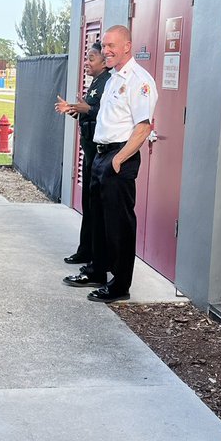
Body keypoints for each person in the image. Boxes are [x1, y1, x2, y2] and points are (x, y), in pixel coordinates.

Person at [63, 25, 156, 303]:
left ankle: (120, 285)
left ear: (127, 46)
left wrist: (117, 159)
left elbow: (143, 127)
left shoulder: (139, 81)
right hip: (101, 155)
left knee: (119, 224)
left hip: (119, 157)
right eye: (104, 46)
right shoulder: (113, 78)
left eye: (111, 45)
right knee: (99, 220)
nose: (106, 51)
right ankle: (97, 271)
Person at [55, 41, 110, 267]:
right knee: (88, 206)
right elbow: (89, 116)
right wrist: (73, 110)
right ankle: (85, 250)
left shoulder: (108, 82)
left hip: (99, 154)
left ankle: (95, 257)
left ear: (104, 62)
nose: (86, 62)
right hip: (89, 154)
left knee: (96, 208)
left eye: (91, 59)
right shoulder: (96, 82)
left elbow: (106, 115)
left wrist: (88, 109)